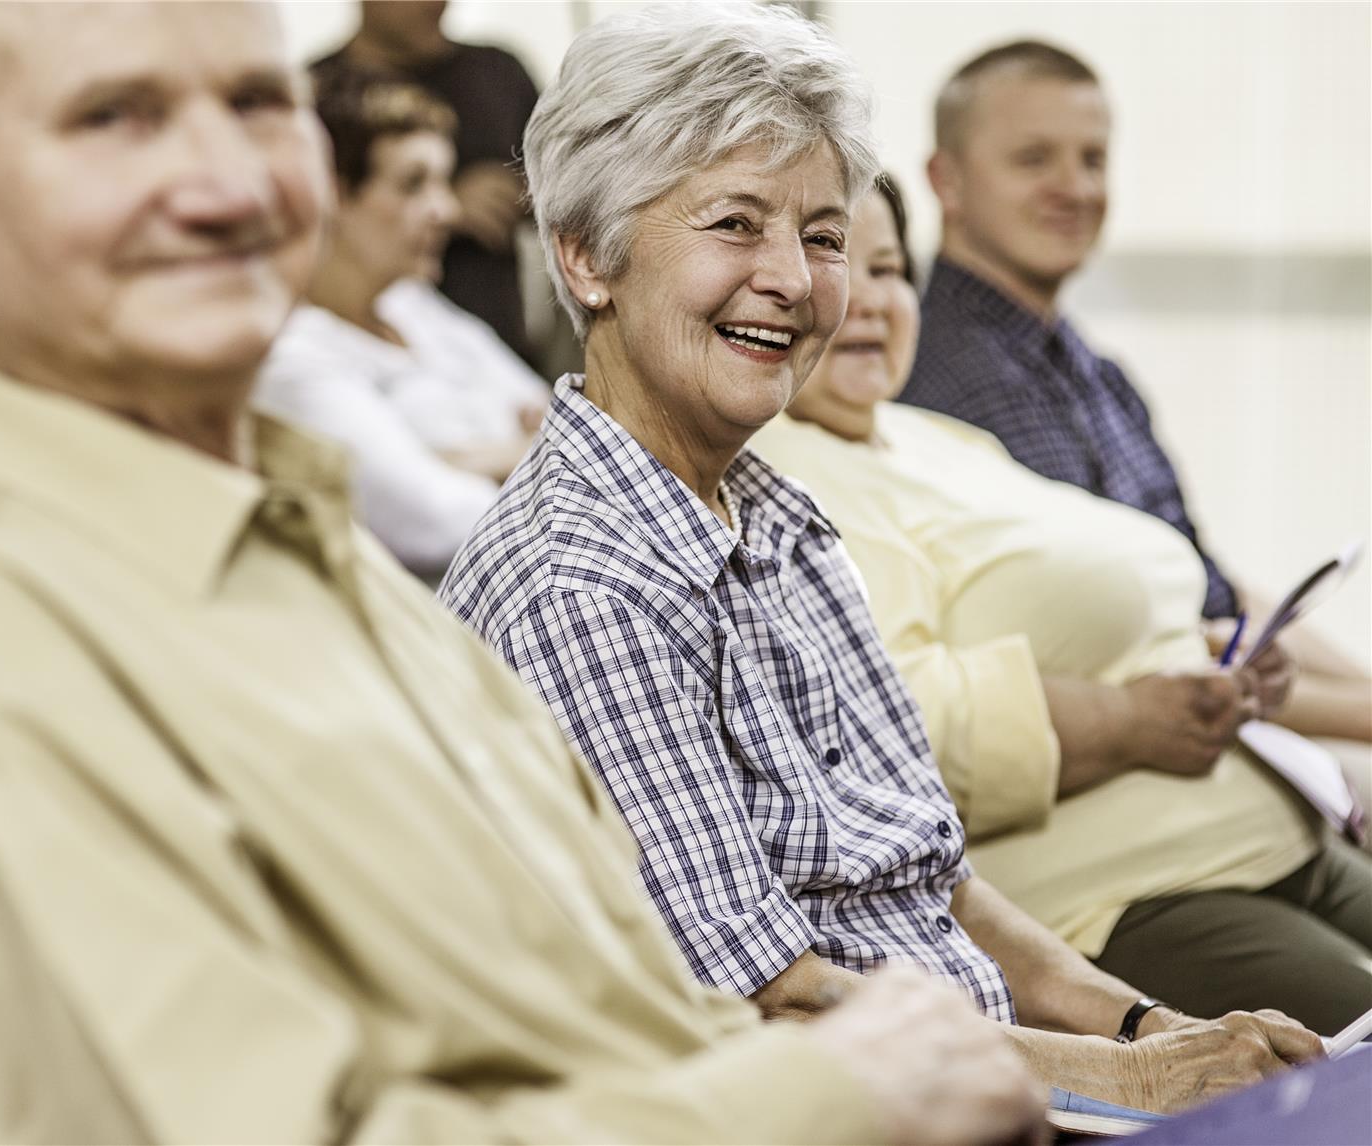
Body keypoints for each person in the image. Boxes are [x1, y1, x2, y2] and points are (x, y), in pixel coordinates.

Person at [0, 3, 1050, 1144]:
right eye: (112, 117)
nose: (224, 183)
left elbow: (613, 1010)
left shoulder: (317, 560)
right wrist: (844, 1088)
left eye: (260, 106)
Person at [441, 0, 1324, 1117]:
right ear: (585, 259)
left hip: (1000, 1087)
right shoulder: (577, 585)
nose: (796, 281)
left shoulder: (782, 520)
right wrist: (1141, 1082)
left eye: (820, 236)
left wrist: (1155, 1029)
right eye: (733, 225)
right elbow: (772, 1006)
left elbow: (935, 880)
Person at [753, 173, 1372, 1034]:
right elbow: (883, 727)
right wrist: (1123, 720)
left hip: (1277, 834)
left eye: (891, 269)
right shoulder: (782, 476)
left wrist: (1220, 662)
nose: (868, 300)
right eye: (835, 263)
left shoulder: (936, 438)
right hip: (1129, 897)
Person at [900, 39, 1372, 767]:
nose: (1075, 187)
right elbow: (1149, 652)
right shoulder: (947, 380)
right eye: (1034, 160)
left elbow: (1216, 593)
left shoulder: (1093, 370)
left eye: (1093, 159)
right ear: (948, 181)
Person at [256, 76, 547, 579]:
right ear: (332, 195)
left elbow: (563, 415)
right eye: (414, 184)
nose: (447, 210)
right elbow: (436, 521)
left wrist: (464, 459)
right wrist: (530, 451)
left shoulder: (413, 307)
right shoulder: (290, 358)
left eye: (444, 182)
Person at [313, 0, 541, 362]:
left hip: (496, 342)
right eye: (413, 183)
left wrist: (525, 193)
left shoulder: (497, 74)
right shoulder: (314, 92)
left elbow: (568, 193)